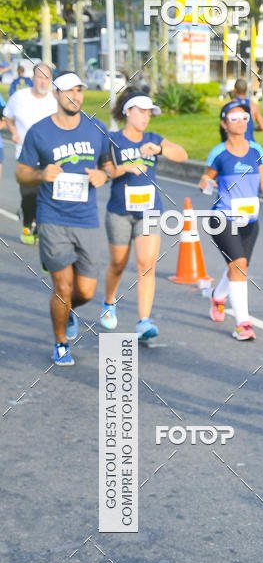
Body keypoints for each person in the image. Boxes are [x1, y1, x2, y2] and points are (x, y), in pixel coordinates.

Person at [16, 71, 111, 366]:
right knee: (63, 286)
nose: (75, 97)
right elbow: (21, 172)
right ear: (56, 94)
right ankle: (60, 343)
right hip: (52, 217)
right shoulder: (40, 132)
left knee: (86, 290)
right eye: (69, 91)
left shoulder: (97, 128)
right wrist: (41, 174)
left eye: (79, 91)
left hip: (86, 219)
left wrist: (103, 174)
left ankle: (68, 310)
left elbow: (108, 164)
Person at [100, 88, 187, 340]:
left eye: (149, 113)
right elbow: (105, 172)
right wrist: (126, 166)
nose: (145, 117)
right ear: (128, 111)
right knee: (118, 264)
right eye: (141, 112)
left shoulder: (153, 138)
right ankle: (108, 303)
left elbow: (182, 154)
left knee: (146, 264)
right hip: (119, 212)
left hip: (150, 212)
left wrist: (160, 150)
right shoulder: (113, 139)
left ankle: (143, 321)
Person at [199, 100, 263, 341]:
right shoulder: (219, 153)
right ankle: (242, 324)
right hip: (223, 219)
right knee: (238, 265)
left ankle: (218, 297)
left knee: (239, 266)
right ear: (224, 123)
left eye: (244, 117)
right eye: (234, 118)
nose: (241, 122)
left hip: (250, 220)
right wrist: (207, 184)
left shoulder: (256, 150)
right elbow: (205, 181)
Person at [4, 62, 57, 245]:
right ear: (33, 78)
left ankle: (43, 227)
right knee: (29, 195)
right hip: (25, 155)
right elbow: (8, 117)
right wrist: (14, 132)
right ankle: (27, 224)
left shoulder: (54, 100)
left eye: (47, 78)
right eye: (40, 77)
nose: (43, 82)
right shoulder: (19, 97)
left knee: (47, 195)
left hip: (49, 156)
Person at [230, 77, 263, 142]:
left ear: (235, 90)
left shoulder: (230, 106)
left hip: (234, 144)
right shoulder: (254, 106)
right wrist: (251, 128)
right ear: (246, 90)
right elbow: (262, 126)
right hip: (249, 144)